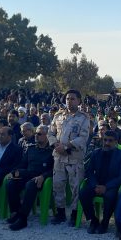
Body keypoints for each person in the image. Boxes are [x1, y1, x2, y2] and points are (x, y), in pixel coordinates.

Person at [48, 89, 90, 226]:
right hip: (59, 157)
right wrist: (55, 145)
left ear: (79, 101)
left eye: (72, 99)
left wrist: (66, 147)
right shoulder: (58, 116)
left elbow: (83, 138)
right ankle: (60, 213)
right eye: (67, 99)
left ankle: (74, 214)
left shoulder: (84, 118)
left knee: (75, 187)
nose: (69, 101)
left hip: (74, 157)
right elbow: (50, 133)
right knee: (58, 185)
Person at [79, 130, 121, 234]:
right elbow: (89, 171)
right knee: (83, 193)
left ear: (116, 142)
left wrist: (106, 186)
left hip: (111, 185)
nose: (106, 143)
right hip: (96, 183)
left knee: (110, 196)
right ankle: (94, 220)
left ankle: (105, 223)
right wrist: (95, 185)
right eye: (105, 140)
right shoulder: (96, 153)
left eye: (110, 141)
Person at [6, 125, 54, 231]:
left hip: (41, 179)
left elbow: (54, 170)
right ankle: (16, 212)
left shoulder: (51, 151)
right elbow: (22, 164)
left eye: (39, 134)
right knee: (11, 182)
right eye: (36, 133)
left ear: (47, 136)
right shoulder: (31, 148)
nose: (36, 136)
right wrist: (13, 172)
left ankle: (23, 219)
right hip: (27, 175)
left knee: (30, 184)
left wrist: (43, 176)